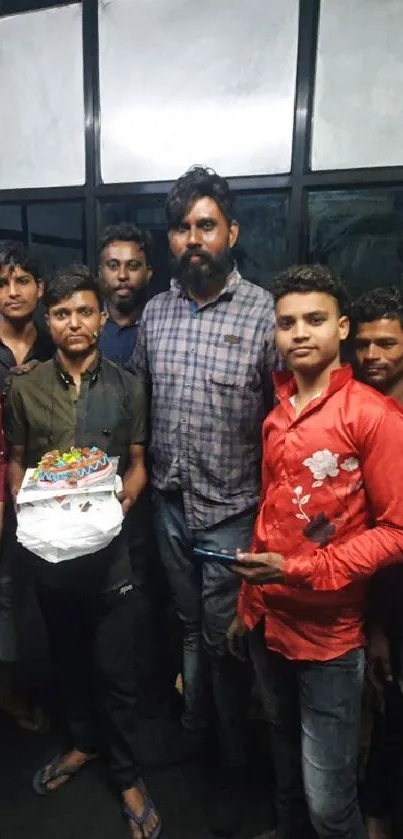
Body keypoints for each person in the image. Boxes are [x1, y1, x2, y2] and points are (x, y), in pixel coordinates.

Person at [130, 165, 280, 834]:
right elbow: (139, 403)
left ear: (232, 232)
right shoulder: (155, 313)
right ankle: (198, 742)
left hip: (234, 513)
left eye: (206, 225)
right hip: (168, 503)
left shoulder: (267, 314)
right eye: (182, 227)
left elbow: (286, 423)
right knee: (188, 627)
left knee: (228, 643)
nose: (193, 238)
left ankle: (231, 758)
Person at [230, 265, 403, 839]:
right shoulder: (278, 412)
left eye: (315, 319)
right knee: (281, 752)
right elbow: (273, 511)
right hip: (267, 618)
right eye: (287, 323)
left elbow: (398, 530)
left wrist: (301, 569)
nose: (299, 332)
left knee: (329, 800)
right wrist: (246, 600)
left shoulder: (373, 415)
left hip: (330, 636)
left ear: (342, 327)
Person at [4, 266, 161, 839]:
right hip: (50, 556)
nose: (75, 323)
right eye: (64, 313)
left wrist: (122, 503)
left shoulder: (129, 387)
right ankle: (81, 746)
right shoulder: (25, 387)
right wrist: (25, 503)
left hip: (112, 556)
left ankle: (127, 774)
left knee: (117, 672)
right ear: (49, 321)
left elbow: (139, 461)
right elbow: (17, 458)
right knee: (67, 661)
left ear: (101, 318)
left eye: (86, 312)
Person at [354, 285, 403, 839]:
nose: (373, 356)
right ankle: (375, 812)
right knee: (383, 699)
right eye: (364, 344)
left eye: (386, 342)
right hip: (378, 580)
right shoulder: (358, 413)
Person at [0, 241, 53, 730]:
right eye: (2, 282)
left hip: (40, 487)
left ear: (39, 288)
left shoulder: (52, 344)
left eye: (21, 281)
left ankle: (21, 689)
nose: (11, 292)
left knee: (24, 591)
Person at [98, 222, 153, 366]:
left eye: (133, 266)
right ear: (100, 272)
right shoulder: (86, 325)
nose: (122, 275)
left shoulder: (160, 327)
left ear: (148, 273)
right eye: (113, 266)